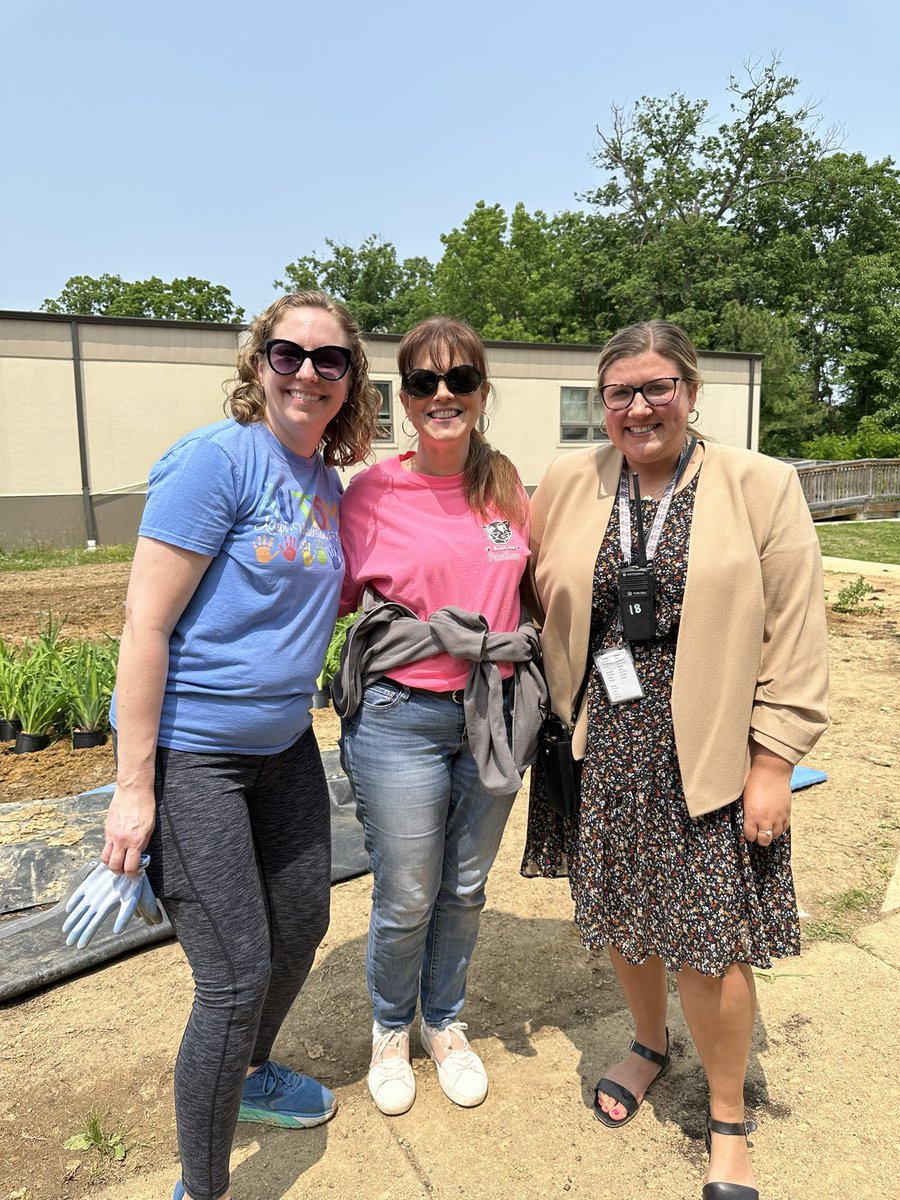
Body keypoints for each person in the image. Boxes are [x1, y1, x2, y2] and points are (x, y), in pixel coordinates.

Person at [521, 320, 828, 1200]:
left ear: (692, 393)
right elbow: (535, 593)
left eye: (657, 387)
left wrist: (775, 760)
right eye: (619, 392)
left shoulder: (759, 484)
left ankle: (727, 1120)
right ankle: (649, 1044)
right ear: (601, 404)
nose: (638, 406)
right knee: (624, 915)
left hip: (713, 750)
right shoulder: (573, 482)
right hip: (605, 742)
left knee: (710, 945)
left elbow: (797, 630)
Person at [102, 291, 380, 1200]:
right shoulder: (217, 463)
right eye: (287, 353)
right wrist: (132, 787)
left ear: (349, 380)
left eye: (328, 359)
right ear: (256, 362)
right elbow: (144, 627)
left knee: (303, 921)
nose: (306, 372)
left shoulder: (326, 486)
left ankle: (253, 1074)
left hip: (286, 748)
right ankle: (202, 1189)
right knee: (232, 975)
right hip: (196, 758)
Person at [334, 316, 545, 1117]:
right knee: (408, 890)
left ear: (483, 394)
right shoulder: (372, 492)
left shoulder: (507, 487)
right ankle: (391, 1027)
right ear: (404, 397)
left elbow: (537, 589)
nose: (444, 394)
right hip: (400, 718)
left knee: (464, 887)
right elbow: (335, 598)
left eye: (460, 380)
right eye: (425, 382)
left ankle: (444, 1023)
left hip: (491, 712)